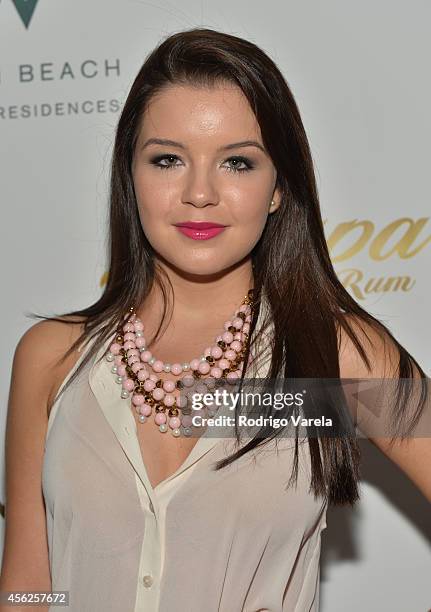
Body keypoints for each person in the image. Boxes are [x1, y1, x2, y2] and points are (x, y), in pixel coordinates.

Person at [1, 27, 429, 612]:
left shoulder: (329, 356)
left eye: (237, 162)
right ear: (131, 176)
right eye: (168, 159)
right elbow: (27, 586)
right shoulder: (54, 357)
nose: (199, 193)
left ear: (279, 188)